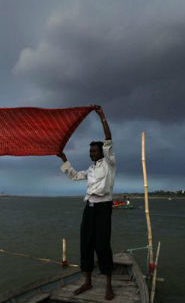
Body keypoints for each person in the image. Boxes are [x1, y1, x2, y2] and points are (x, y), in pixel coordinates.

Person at [57, 105, 115, 300]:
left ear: (102, 152)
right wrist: (64, 159)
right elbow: (74, 176)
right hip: (89, 210)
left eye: (94, 150)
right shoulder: (90, 170)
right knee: (86, 244)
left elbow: (108, 139)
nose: (92, 153)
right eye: (90, 151)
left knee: (103, 245)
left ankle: (108, 285)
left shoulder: (109, 163)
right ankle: (88, 281)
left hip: (103, 209)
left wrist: (101, 115)